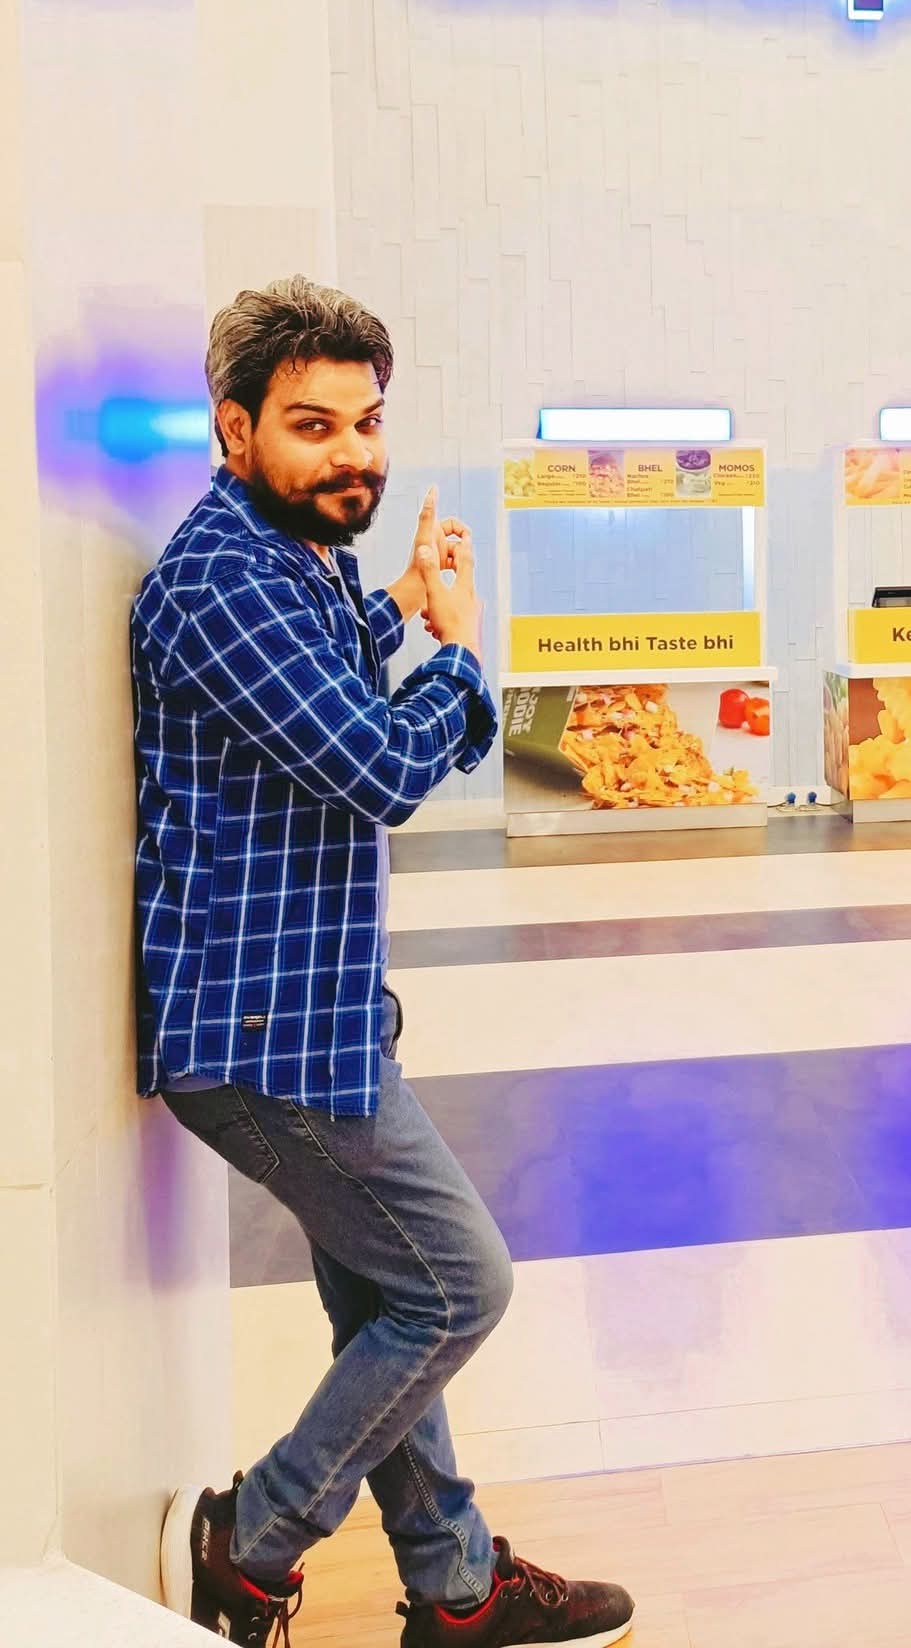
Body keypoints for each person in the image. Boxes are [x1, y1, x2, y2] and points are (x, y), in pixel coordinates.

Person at [133, 277, 634, 1648]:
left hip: (314, 1015)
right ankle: (256, 1540)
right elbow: (376, 767)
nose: (352, 453)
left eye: (366, 422)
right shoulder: (225, 579)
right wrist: (463, 654)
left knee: (383, 1296)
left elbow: (314, 685)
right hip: (264, 1036)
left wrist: (400, 606)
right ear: (234, 429)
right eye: (313, 425)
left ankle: (455, 1591)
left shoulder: (284, 557)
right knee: (459, 1285)